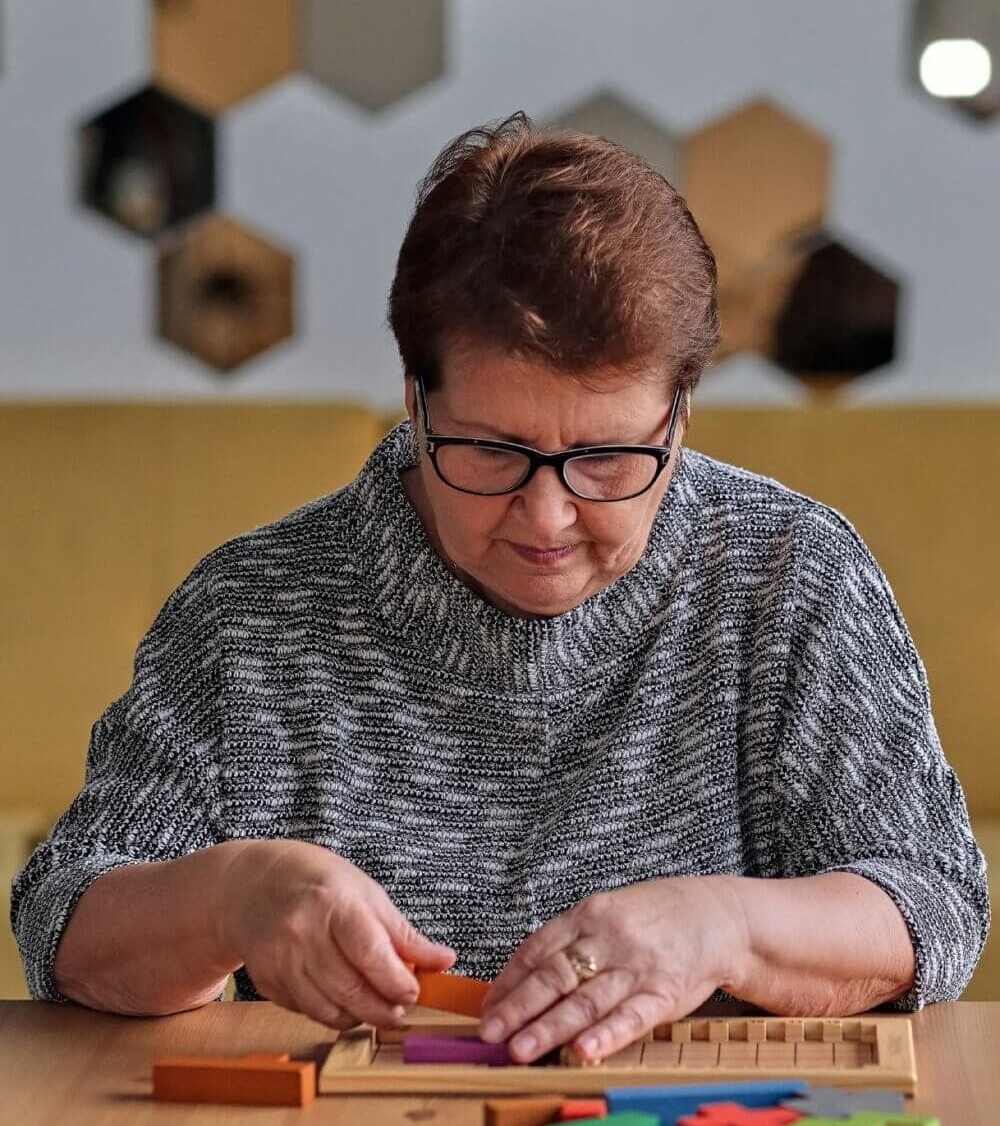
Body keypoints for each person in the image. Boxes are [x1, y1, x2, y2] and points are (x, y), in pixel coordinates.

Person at [11, 112, 989, 1066]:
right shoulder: (251, 613)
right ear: (415, 399)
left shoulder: (790, 573)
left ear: (678, 418)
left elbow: (935, 900)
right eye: (490, 449)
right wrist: (231, 895)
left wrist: (725, 925)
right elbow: (62, 927)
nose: (546, 518)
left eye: (606, 457)